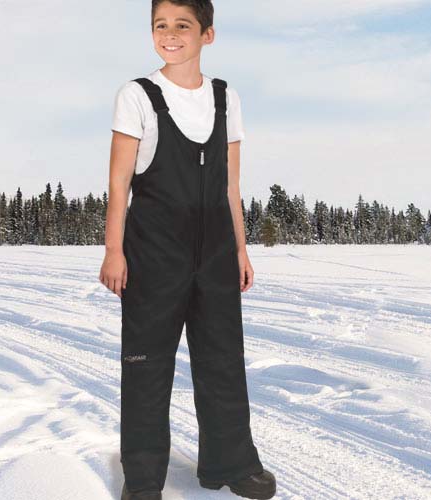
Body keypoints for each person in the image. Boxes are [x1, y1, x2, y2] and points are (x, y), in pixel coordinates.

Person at [99, 1, 276, 499]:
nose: (170, 34)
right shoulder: (137, 95)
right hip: (154, 250)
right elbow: (119, 184)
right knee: (147, 364)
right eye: (161, 25)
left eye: (182, 25)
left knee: (223, 359)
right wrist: (114, 249)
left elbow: (231, 186)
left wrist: (240, 249)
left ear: (207, 34)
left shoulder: (224, 97)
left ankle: (232, 463)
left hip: (216, 249)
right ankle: (143, 479)